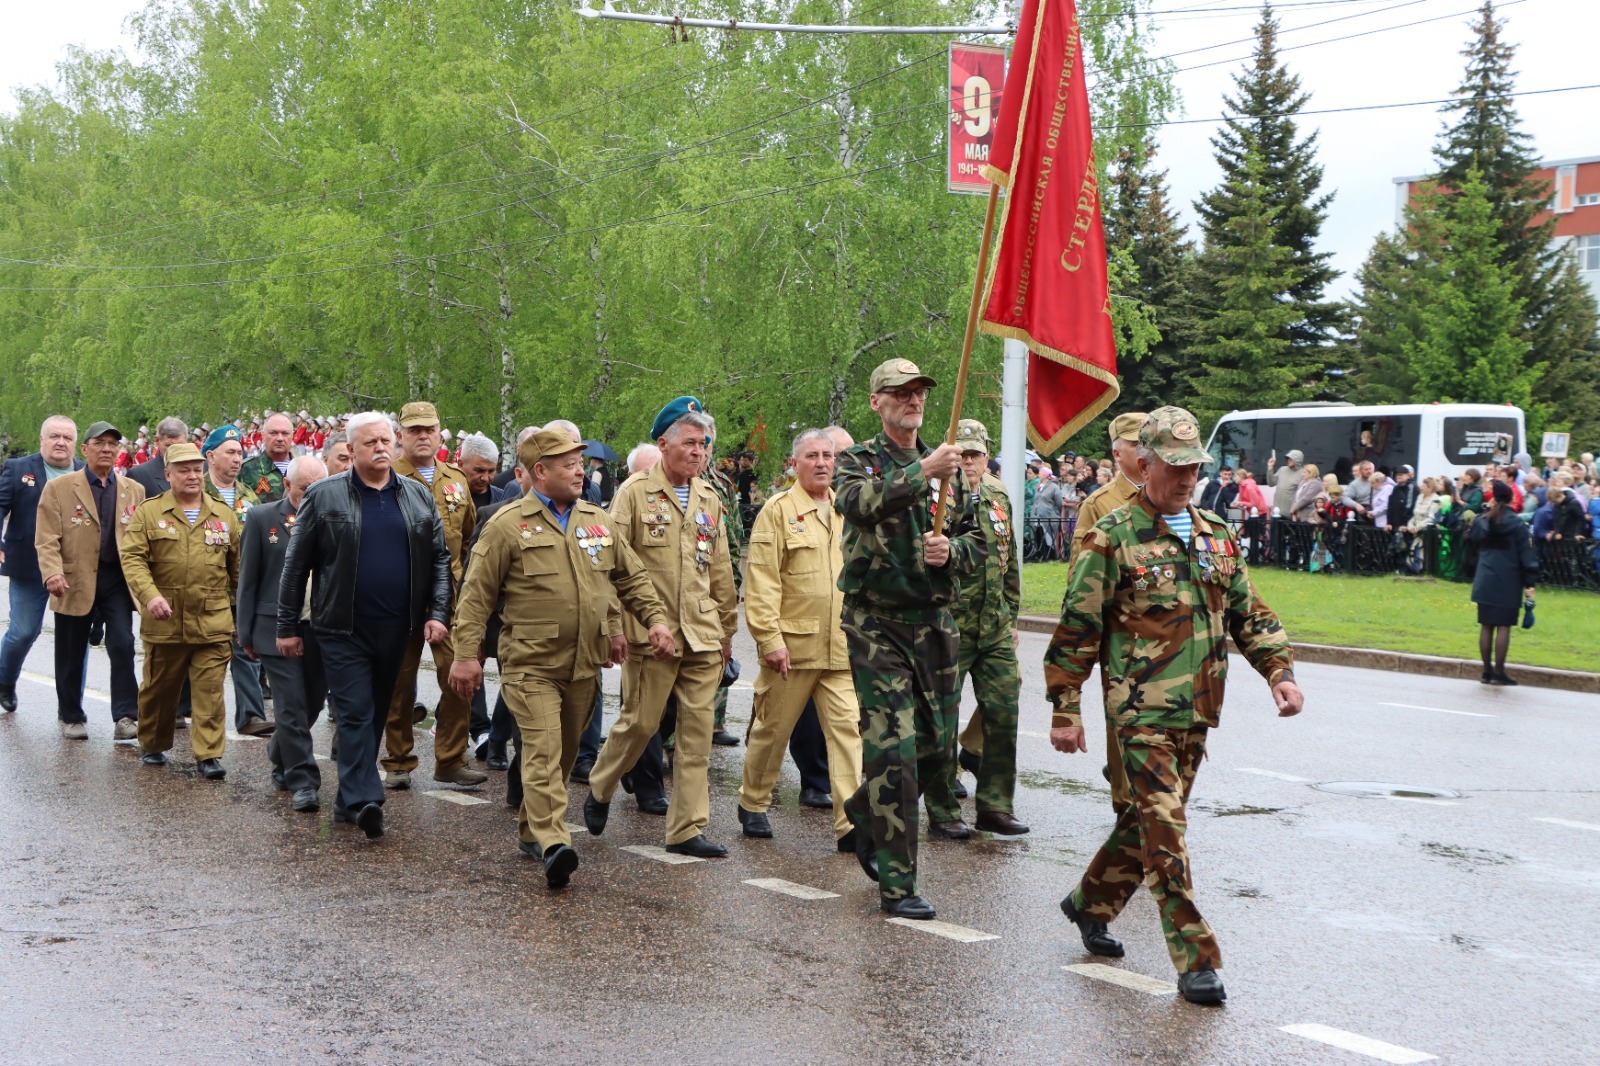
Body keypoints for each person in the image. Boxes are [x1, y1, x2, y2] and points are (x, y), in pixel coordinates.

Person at [1045, 406, 1303, 1007]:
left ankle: (1089, 902)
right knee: (1167, 833)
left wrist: (1278, 672)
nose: (1188, 477)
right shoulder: (1111, 537)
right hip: (1139, 713)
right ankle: (1197, 960)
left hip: (1199, 709)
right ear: (1145, 462)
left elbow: (1249, 612)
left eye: (1195, 467)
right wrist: (1065, 707)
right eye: (1177, 466)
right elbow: (1076, 627)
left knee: (1145, 823)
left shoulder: (1216, 531)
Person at [450, 427, 674, 888]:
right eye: (568, 464)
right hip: (531, 664)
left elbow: (629, 579)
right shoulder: (507, 525)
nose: (579, 471)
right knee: (543, 749)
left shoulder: (598, 520)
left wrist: (652, 620)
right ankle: (555, 843)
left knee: (566, 753)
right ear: (540, 471)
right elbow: (475, 597)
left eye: (579, 462)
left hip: (583, 664)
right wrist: (465, 655)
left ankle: (533, 828)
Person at [833, 358, 984, 921]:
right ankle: (898, 886)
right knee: (894, 753)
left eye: (919, 391)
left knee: (936, 751)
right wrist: (923, 470)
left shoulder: (952, 474)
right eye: (899, 393)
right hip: (876, 623)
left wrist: (954, 553)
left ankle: (868, 811)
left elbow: (977, 542)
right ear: (877, 402)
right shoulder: (859, 461)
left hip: (936, 623)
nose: (912, 400)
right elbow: (858, 504)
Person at [278, 411, 452, 840]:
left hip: (396, 627)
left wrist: (438, 612)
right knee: (354, 711)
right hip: (341, 626)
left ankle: (345, 800)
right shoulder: (324, 495)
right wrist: (287, 626)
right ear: (351, 450)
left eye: (385, 440)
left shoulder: (415, 495)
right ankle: (364, 799)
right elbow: (296, 564)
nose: (380, 448)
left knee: (375, 711)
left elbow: (439, 559)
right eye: (369, 442)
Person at [581, 398, 739, 859]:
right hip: (653, 635)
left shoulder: (710, 498)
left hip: (703, 634)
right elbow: (608, 564)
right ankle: (601, 785)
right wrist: (616, 626)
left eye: (704, 444)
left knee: (696, 735)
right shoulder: (633, 493)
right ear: (663, 443)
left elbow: (721, 571)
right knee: (641, 723)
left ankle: (687, 829)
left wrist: (728, 630)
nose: (699, 452)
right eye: (689, 443)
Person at [735, 428, 864, 850]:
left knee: (846, 733)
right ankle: (753, 802)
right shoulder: (777, 511)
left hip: (840, 647)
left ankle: (851, 824)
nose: (823, 462)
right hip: (792, 648)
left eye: (828, 455)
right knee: (772, 730)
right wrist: (769, 639)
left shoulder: (847, 510)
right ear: (795, 463)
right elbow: (763, 582)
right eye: (813, 455)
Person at [923, 419, 1028, 837]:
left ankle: (996, 806)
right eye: (962, 454)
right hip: (949, 623)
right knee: (942, 721)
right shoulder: (936, 496)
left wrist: (1013, 614)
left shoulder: (999, 494)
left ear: (987, 457)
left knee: (1004, 711)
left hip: (994, 624)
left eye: (976, 454)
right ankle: (944, 809)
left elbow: (1010, 559)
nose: (969, 462)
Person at [119, 442, 241, 778]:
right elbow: (132, 558)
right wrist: (149, 595)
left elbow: (237, 570)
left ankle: (208, 755)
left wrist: (245, 615)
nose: (192, 476)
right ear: (168, 474)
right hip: (165, 621)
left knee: (210, 691)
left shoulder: (223, 514)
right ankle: (154, 743)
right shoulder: (149, 512)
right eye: (183, 470)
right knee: (160, 689)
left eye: (196, 469)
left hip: (212, 620)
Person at [383, 401, 484, 789]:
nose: (423, 436)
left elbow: (471, 539)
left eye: (429, 429)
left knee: (460, 678)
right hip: (399, 598)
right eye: (414, 430)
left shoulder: (455, 480)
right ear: (401, 436)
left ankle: (451, 759)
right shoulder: (386, 477)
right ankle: (397, 760)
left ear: (440, 433)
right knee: (399, 682)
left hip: (452, 598)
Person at [34, 421, 145, 739]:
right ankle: (71, 715)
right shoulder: (59, 488)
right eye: (100, 443)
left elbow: (140, 538)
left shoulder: (132, 490)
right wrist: (52, 571)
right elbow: (46, 538)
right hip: (73, 578)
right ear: (85, 449)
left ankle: (125, 716)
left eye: (114, 444)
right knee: (70, 649)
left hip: (115, 580)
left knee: (123, 643)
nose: (107, 449)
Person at [238, 456, 329, 812]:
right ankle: (304, 781)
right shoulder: (262, 519)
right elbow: (248, 580)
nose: (312, 494)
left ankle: (279, 751)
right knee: (290, 706)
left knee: (311, 704)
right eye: (306, 487)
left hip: (318, 627)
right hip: (274, 627)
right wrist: (245, 633)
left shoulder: (333, 516)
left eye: (319, 486)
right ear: (288, 485)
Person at [0, 415, 84, 714]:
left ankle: (72, 707)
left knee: (77, 639)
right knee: (23, 631)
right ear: (42, 440)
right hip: (28, 564)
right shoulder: (18, 468)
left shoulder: (85, 474)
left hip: (75, 569)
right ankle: (5, 681)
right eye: (54, 436)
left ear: (75, 444)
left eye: (67, 438)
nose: (60, 442)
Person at [1469, 480, 1537, 686]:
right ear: (1512, 499)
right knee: (1504, 626)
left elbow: (1472, 541)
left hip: (1485, 577)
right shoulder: (1517, 524)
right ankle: (1499, 671)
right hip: (1508, 578)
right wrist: (1530, 581)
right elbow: (1526, 554)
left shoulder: (1483, 520)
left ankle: (1486, 671)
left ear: (1494, 499)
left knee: (1486, 625)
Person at [239, 412, 295, 503]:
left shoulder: (304, 469)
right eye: (273, 433)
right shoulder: (245, 469)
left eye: (285, 433)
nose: (280, 438)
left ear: (292, 436)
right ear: (263, 435)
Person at [126, 417, 187, 497]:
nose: (174, 450)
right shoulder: (138, 475)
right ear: (158, 441)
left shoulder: (203, 470)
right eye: (169, 445)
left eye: (179, 445)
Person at [458, 433, 503, 510]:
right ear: (461, 464)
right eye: (479, 470)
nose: (485, 478)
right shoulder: (443, 497)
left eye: (491, 471)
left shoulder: (503, 498)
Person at [1267, 448, 1302, 517]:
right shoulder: (1282, 469)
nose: (1288, 460)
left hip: (1289, 514)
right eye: (1288, 458)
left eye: (1291, 459)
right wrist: (1270, 468)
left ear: (1297, 460)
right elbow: (1271, 483)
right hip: (1276, 512)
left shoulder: (1302, 473)